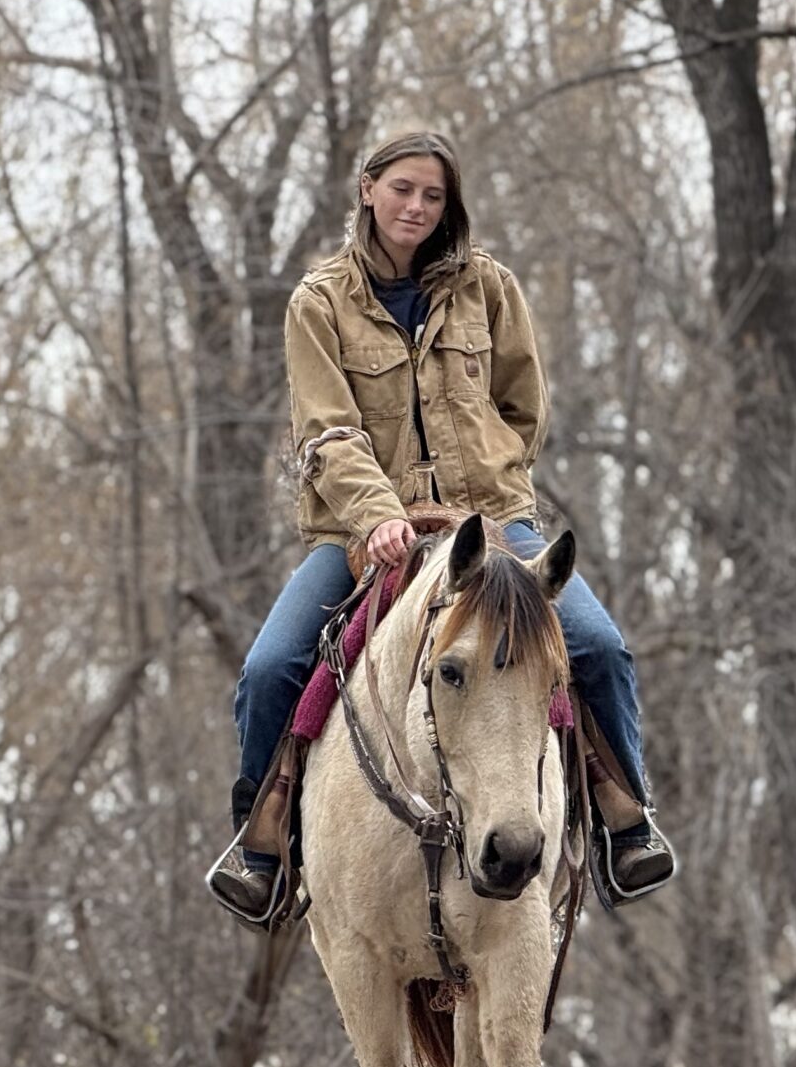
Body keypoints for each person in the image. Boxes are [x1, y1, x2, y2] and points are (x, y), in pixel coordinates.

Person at [208, 130, 675, 922]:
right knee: (269, 667)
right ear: (367, 189)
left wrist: (486, 493)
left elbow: (524, 408)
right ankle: (265, 847)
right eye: (402, 190)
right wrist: (381, 516)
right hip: (364, 536)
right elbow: (325, 432)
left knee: (596, 643)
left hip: (489, 523)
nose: (417, 207)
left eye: (433, 196)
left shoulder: (489, 289)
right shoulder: (318, 303)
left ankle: (624, 823)